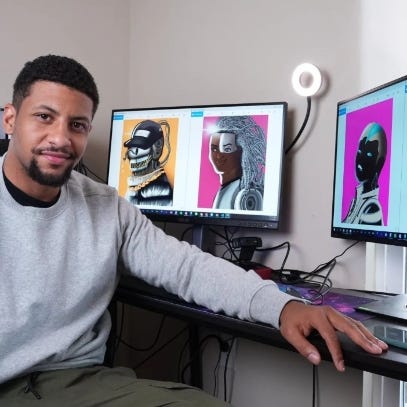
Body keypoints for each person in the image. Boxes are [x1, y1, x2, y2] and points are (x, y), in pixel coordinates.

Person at [0, 55, 387, 406]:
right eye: (44, 117)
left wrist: (283, 306)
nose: (61, 138)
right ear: (11, 119)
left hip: (80, 382)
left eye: (77, 124)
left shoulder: (107, 206)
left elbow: (187, 268)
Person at [209, 115, 265, 210]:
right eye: (214, 149)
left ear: (242, 152)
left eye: (227, 149)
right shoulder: (226, 189)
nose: (219, 156)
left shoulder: (244, 196)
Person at [343, 122, 387, 225]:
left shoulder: (372, 208)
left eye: (368, 154)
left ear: (379, 163)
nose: (360, 160)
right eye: (359, 153)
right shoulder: (358, 198)